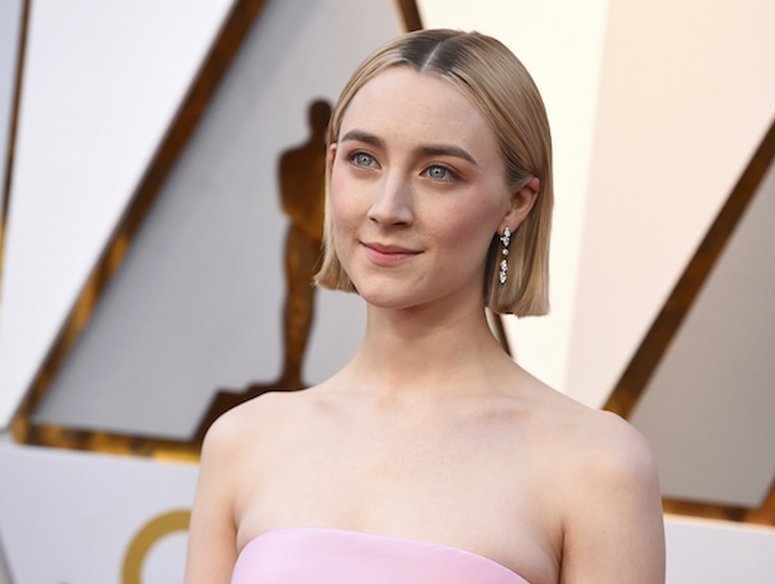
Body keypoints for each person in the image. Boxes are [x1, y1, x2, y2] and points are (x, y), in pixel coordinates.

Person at [185, 29, 665, 584]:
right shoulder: (244, 441)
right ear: (331, 166)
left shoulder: (596, 465)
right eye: (364, 159)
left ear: (516, 201)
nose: (388, 208)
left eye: (438, 171)